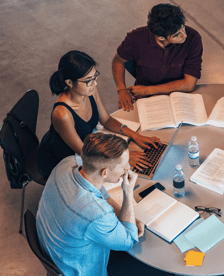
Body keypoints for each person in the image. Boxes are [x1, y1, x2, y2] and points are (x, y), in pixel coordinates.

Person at [36, 133, 175, 276]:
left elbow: (100, 191)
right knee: (166, 269)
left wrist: (122, 214)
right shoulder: (96, 213)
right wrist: (128, 193)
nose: (128, 168)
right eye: (123, 166)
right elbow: (129, 240)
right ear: (105, 172)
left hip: (55, 251)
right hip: (80, 272)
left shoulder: (67, 163)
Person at [37, 50, 159, 180]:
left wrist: (134, 135)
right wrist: (124, 157)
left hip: (88, 145)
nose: (95, 83)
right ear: (69, 83)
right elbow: (84, 152)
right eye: (89, 80)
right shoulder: (62, 114)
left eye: (95, 77)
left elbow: (106, 120)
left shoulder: (90, 90)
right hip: (63, 160)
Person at [113, 3, 203, 111]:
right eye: (177, 34)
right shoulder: (135, 39)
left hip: (178, 96)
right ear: (161, 37)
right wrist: (121, 90)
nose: (184, 35)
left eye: (183, 28)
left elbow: (189, 84)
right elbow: (118, 60)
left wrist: (148, 90)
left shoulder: (193, 39)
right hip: (145, 99)